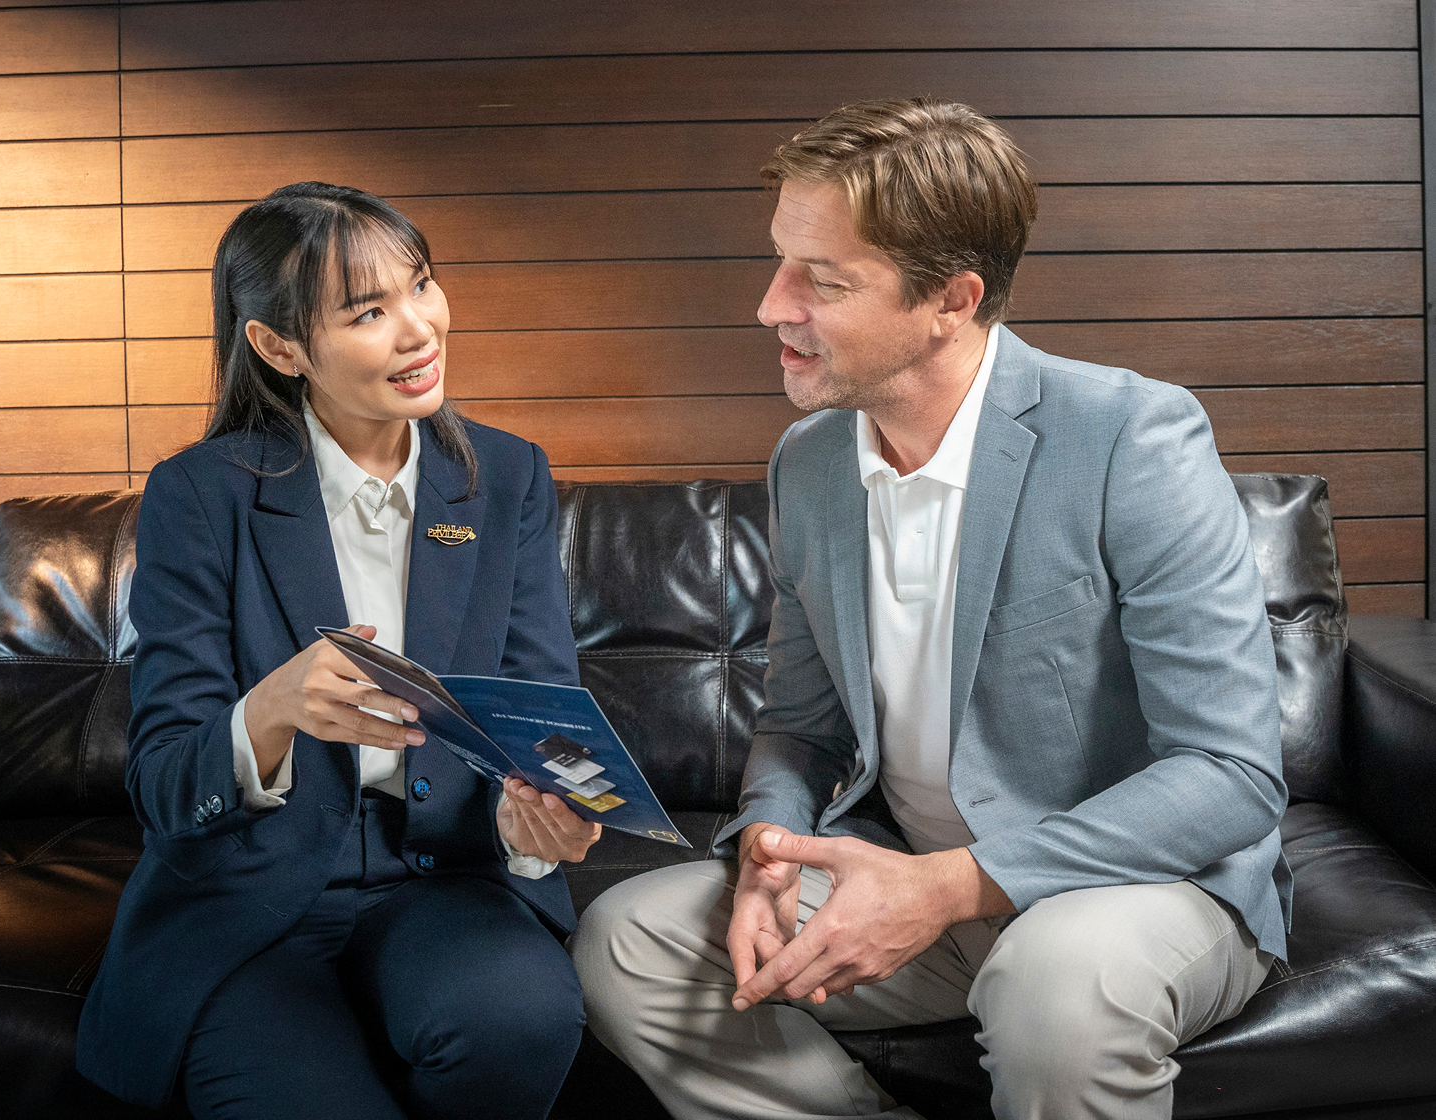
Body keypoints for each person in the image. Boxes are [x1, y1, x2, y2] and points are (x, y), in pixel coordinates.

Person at [573, 98, 1289, 1120]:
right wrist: (769, 852)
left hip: (1136, 891)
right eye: (780, 261)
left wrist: (953, 884)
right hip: (917, 879)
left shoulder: (1133, 435)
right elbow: (802, 726)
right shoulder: (811, 464)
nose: (770, 305)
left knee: (1057, 983)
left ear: (951, 300)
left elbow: (1229, 775)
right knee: (630, 937)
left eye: (820, 279)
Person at [77, 182, 601, 1119]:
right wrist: (270, 709)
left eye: (422, 286)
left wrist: (538, 825)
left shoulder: (505, 474)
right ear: (279, 348)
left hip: (442, 881)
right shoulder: (200, 495)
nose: (419, 329)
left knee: (517, 1022)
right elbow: (163, 782)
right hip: (249, 897)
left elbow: (537, 707)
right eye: (368, 311)